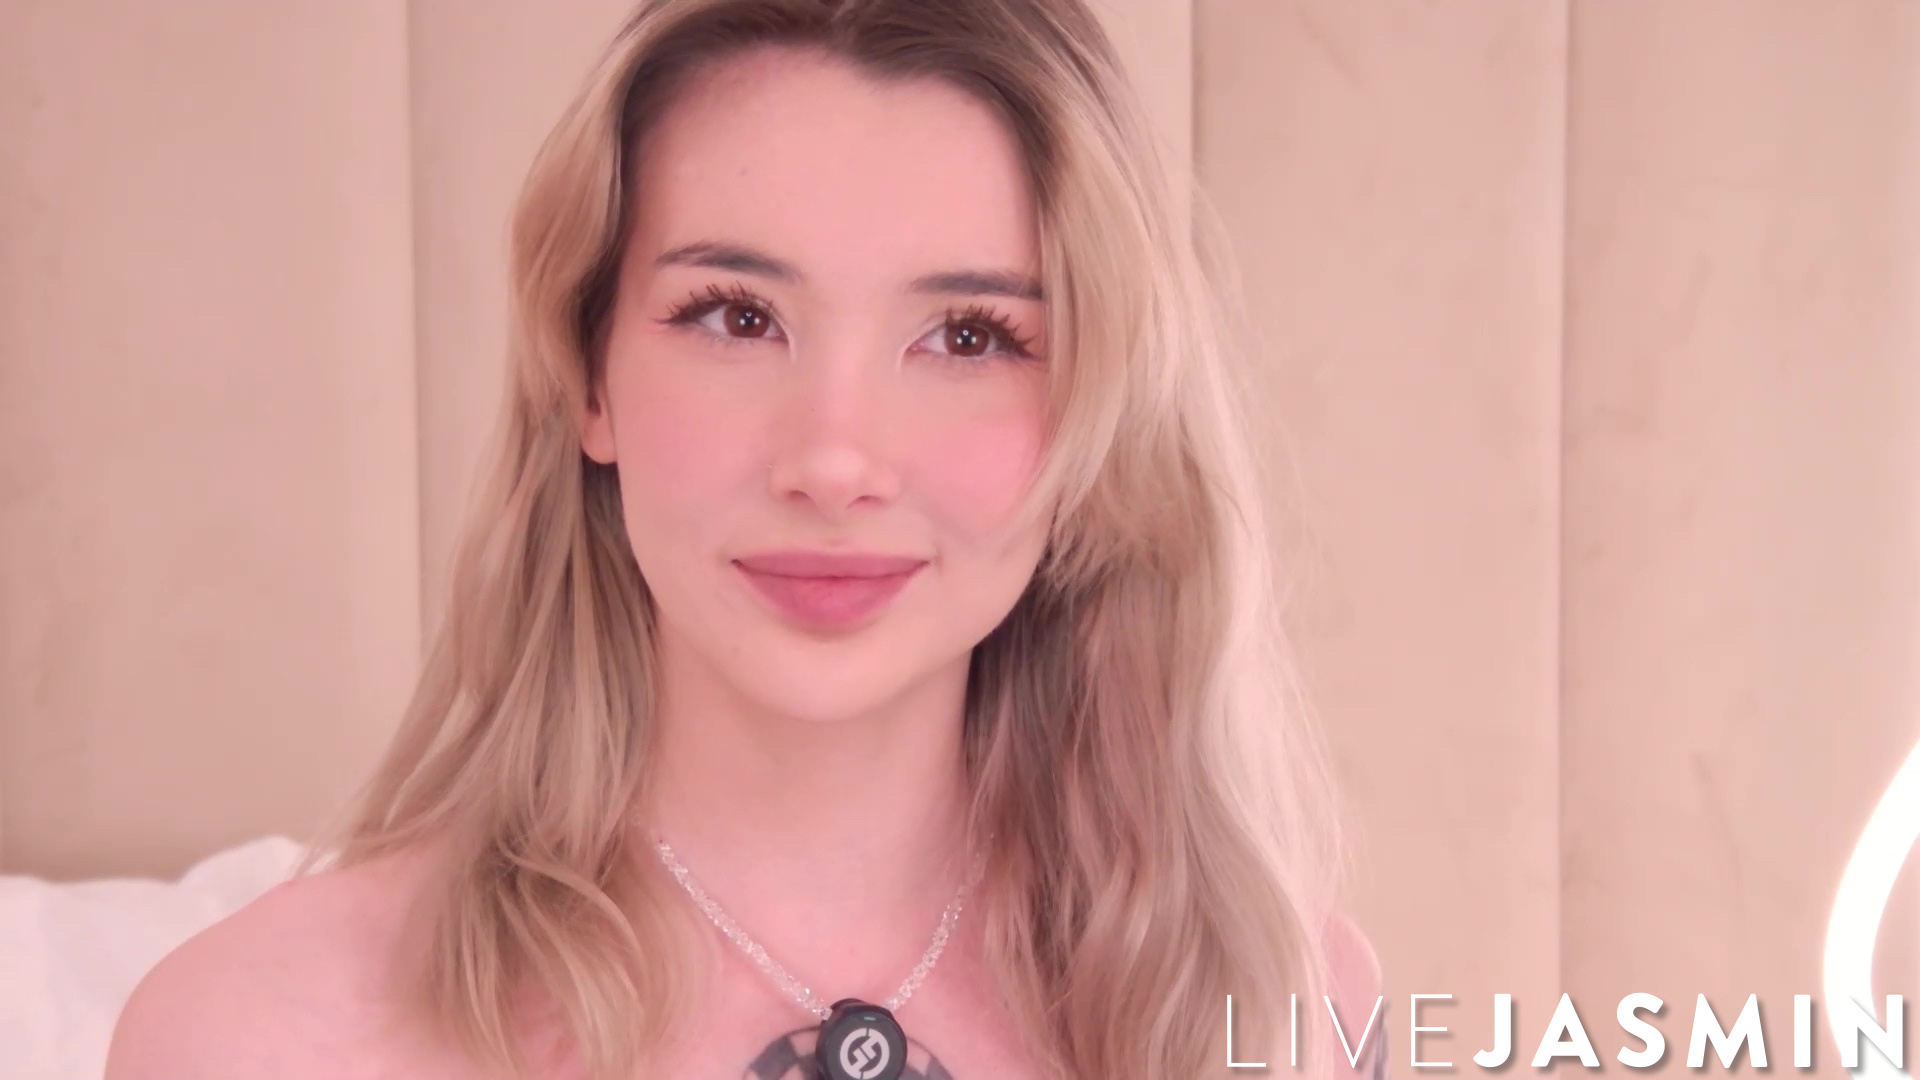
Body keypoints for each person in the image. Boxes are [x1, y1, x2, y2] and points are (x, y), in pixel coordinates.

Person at [105, 1, 1382, 1077]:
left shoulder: (1288, 1009)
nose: (833, 460)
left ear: (1099, 411)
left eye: (969, 337)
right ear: (588, 375)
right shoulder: (264, 1033)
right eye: (736, 317)